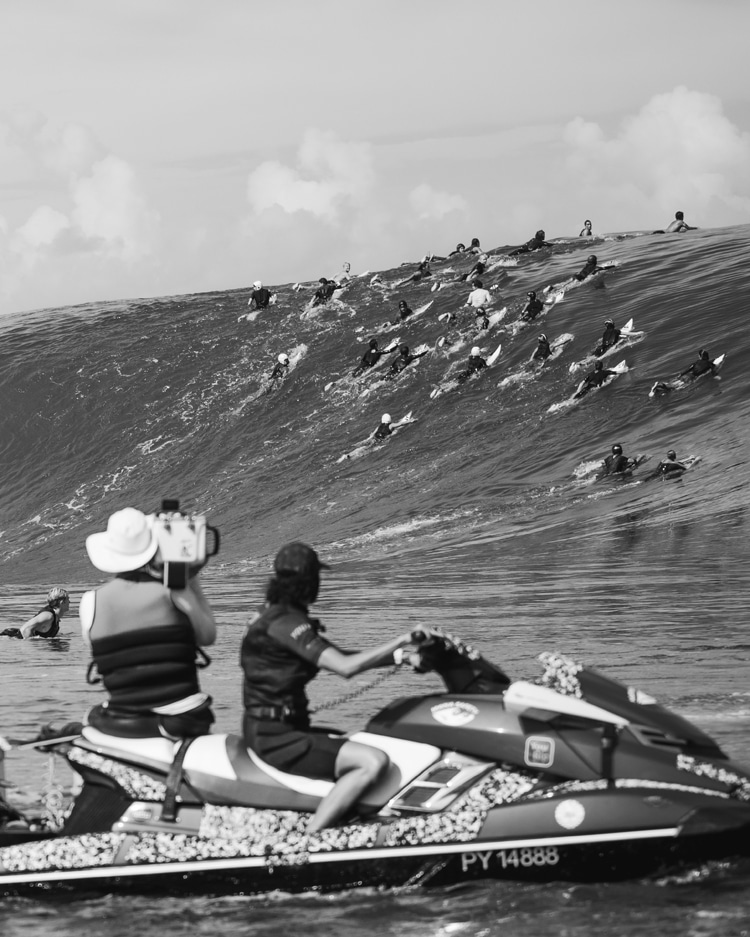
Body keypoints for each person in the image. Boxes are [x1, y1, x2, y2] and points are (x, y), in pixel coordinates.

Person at [241, 542, 419, 831]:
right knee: (372, 761)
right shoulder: (287, 623)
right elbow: (345, 667)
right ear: (310, 581)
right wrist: (402, 639)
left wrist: (401, 657)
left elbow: (334, 655)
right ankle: (312, 840)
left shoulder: (270, 614)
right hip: (278, 737)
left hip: (269, 726)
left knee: (355, 740)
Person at [80, 507, 217, 739]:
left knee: (86, 722)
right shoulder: (175, 590)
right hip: (182, 719)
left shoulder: (90, 602)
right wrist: (191, 577)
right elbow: (207, 636)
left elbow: (99, 650)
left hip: (123, 718)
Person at [1, 587, 71, 639]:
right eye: (68, 599)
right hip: (9, 637)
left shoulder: (55, 617)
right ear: (62, 602)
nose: (70, 602)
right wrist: (32, 652)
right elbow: (25, 629)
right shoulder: (48, 616)